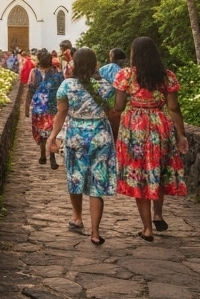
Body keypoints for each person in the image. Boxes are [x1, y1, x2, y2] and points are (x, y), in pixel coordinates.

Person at [113, 36, 188, 241]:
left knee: (139, 176)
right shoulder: (166, 76)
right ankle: (158, 214)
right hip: (160, 126)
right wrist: (181, 135)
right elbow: (173, 107)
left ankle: (147, 229)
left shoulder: (126, 75)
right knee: (157, 170)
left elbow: (118, 107)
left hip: (135, 129)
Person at [47, 48, 117, 245]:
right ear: (95, 64)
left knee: (75, 176)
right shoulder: (106, 87)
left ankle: (77, 217)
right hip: (100, 136)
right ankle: (95, 232)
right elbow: (114, 109)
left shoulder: (66, 86)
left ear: (74, 64)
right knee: (97, 184)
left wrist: (53, 136)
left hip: (76, 135)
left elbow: (61, 113)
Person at [24, 50, 65, 169]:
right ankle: (51, 155)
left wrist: (27, 107)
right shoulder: (58, 74)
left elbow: (30, 89)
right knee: (53, 131)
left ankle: (43, 153)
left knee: (41, 132)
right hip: (53, 107)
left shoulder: (34, 72)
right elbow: (62, 92)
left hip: (38, 108)